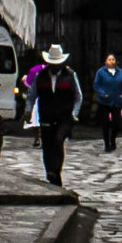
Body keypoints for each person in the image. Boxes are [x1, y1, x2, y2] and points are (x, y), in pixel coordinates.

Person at [36, 43, 81, 187]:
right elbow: (32, 95)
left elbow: (78, 96)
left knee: (58, 140)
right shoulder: (40, 76)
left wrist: (74, 114)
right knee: (47, 145)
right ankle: (51, 173)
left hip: (64, 117)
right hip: (46, 116)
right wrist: (27, 110)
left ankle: (55, 170)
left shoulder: (70, 75)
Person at [93, 52, 122, 153]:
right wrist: (103, 94)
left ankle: (113, 139)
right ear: (106, 61)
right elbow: (96, 85)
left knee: (117, 123)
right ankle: (107, 144)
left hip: (116, 101)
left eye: (113, 59)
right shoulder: (101, 72)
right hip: (104, 101)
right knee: (105, 124)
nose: (112, 61)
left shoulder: (120, 72)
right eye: (109, 59)